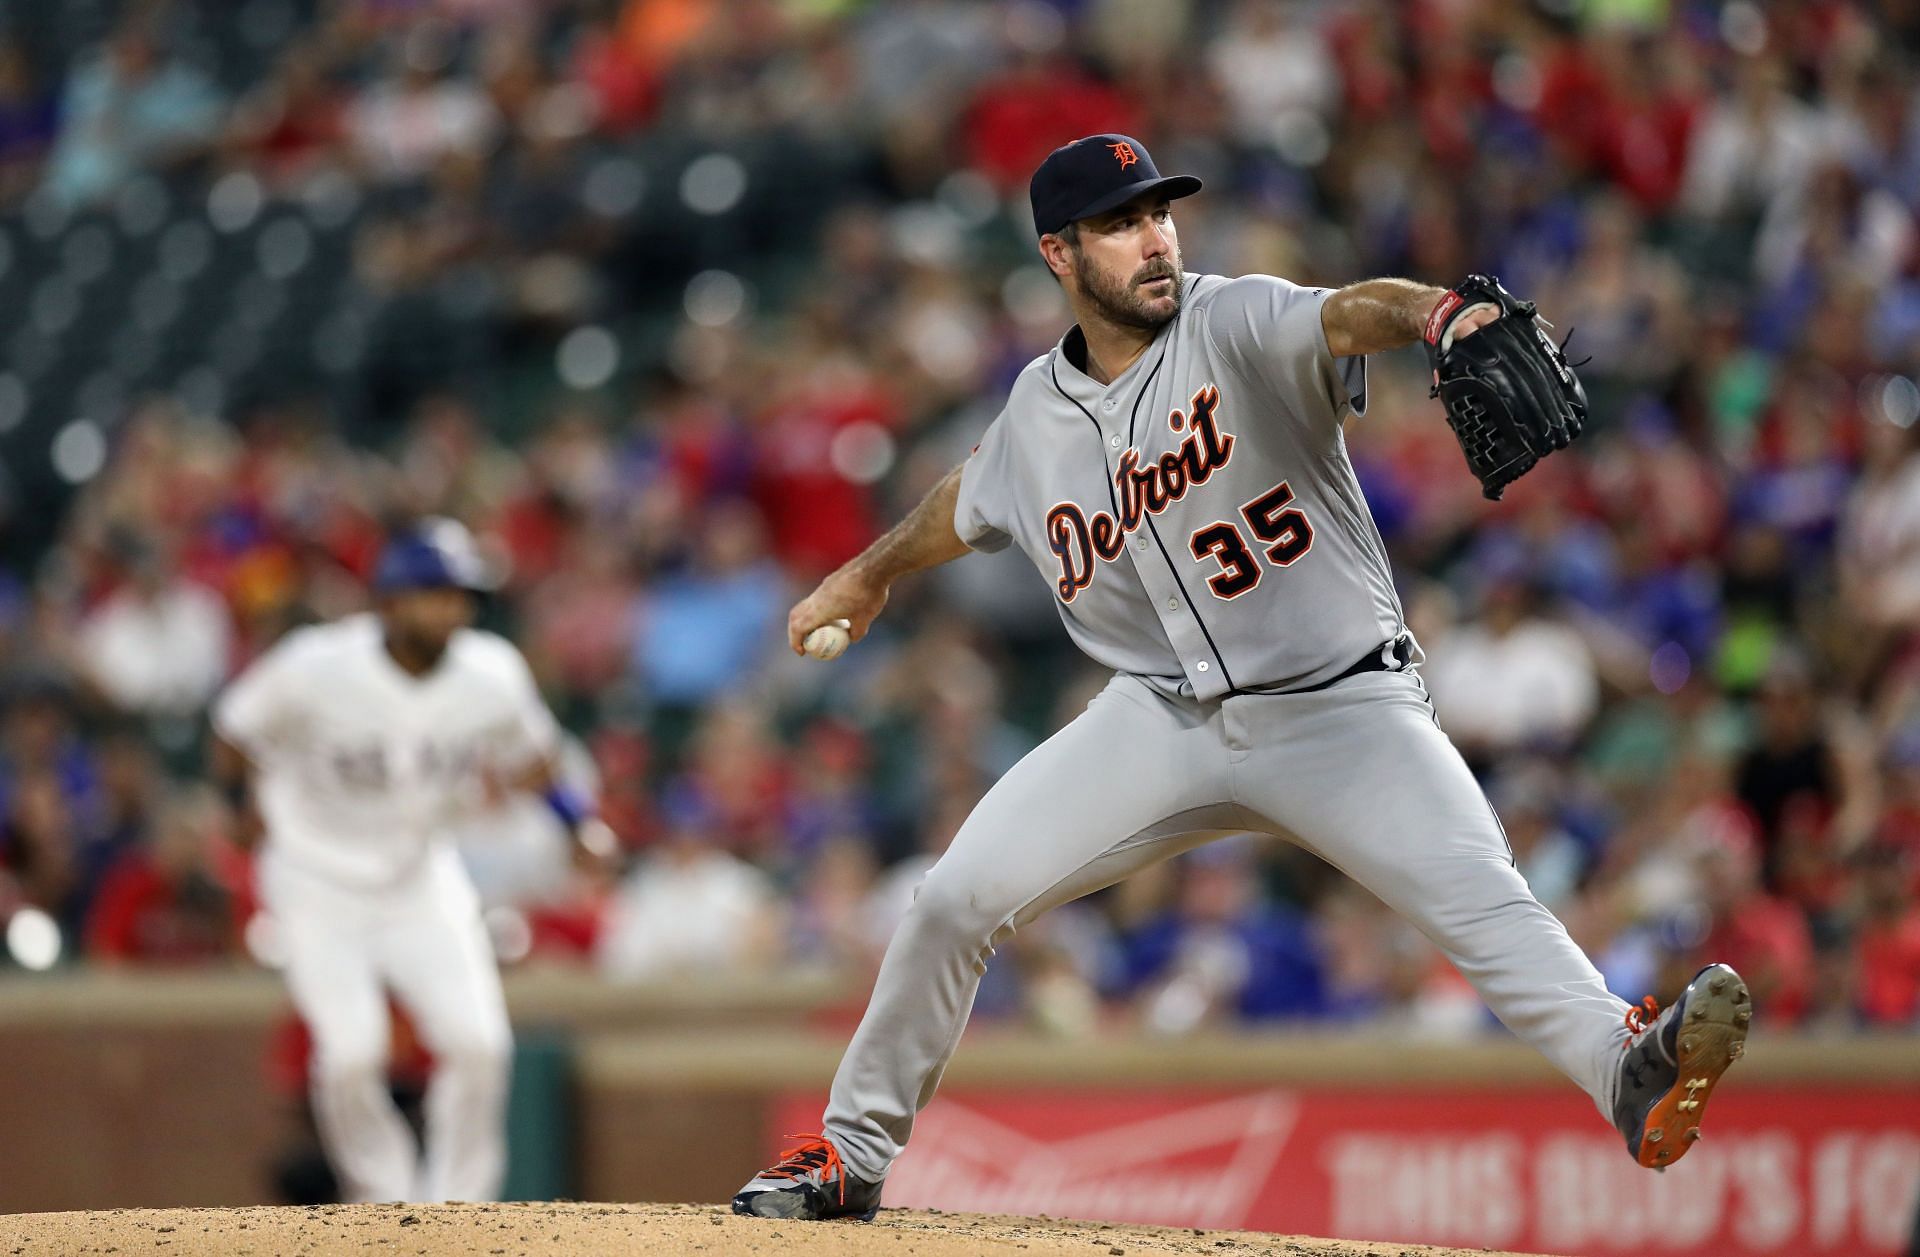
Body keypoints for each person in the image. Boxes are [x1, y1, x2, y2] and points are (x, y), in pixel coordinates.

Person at [732, 135, 1750, 1223]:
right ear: (1059, 255)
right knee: (950, 902)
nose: (1156, 237)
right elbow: (967, 500)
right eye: (1122, 223)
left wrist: (1436, 316)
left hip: (1342, 706)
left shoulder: (1236, 318)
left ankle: (1626, 1075)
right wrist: (865, 575)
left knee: (1487, 905)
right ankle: (848, 1156)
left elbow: (1349, 310)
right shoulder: (1036, 412)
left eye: (1161, 212)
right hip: (1156, 721)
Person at [211, 518, 614, 1204]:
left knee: (479, 1043)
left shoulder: (491, 673)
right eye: (431, 592)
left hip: (420, 871)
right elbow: (235, 730)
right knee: (350, 1054)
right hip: (316, 875)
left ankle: (461, 1206)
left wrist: (579, 823)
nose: (448, 608)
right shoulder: (318, 665)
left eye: (458, 594)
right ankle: (384, 1203)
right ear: (389, 600)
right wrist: (235, 803)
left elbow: (536, 757)